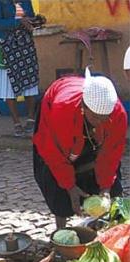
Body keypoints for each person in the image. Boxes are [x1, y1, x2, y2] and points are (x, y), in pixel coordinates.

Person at [33, 68, 127, 229]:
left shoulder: (118, 114)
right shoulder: (62, 109)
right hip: (56, 117)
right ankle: (61, 231)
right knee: (56, 181)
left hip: (84, 120)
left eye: (105, 118)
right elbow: (53, 153)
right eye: (96, 117)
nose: (100, 122)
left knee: (112, 187)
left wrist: (105, 188)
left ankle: (108, 228)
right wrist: (70, 187)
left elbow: (111, 153)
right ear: (84, 106)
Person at [0, 0, 45, 137]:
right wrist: (19, 22)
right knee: (7, 85)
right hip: (5, 45)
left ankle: (31, 119)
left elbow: (28, 17)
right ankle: (16, 123)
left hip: (25, 44)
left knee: (30, 81)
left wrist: (36, 21)